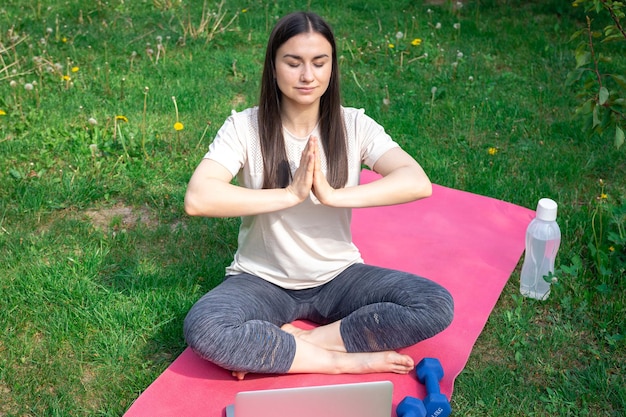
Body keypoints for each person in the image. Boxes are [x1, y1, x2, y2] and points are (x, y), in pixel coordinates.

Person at [183, 11, 453, 381]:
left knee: (433, 304)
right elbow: (199, 197)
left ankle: (299, 343)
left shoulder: (354, 124)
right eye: (293, 63)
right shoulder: (244, 126)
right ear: (273, 67)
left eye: (319, 63)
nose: (307, 76)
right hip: (261, 280)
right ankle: (340, 360)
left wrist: (333, 195)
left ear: (332, 67)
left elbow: (416, 181)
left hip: (338, 277)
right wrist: (291, 194)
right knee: (206, 327)